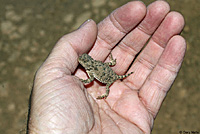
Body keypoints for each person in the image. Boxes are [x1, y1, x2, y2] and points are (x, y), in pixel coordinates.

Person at [27, 1, 186, 133]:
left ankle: (112, 86)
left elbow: (90, 79)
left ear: (87, 61)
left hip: (109, 78)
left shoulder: (91, 68)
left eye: (83, 60)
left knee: (112, 82)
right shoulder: (94, 63)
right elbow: (103, 67)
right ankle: (119, 78)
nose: (81, 61)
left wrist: (84, 82)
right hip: (108, 73)